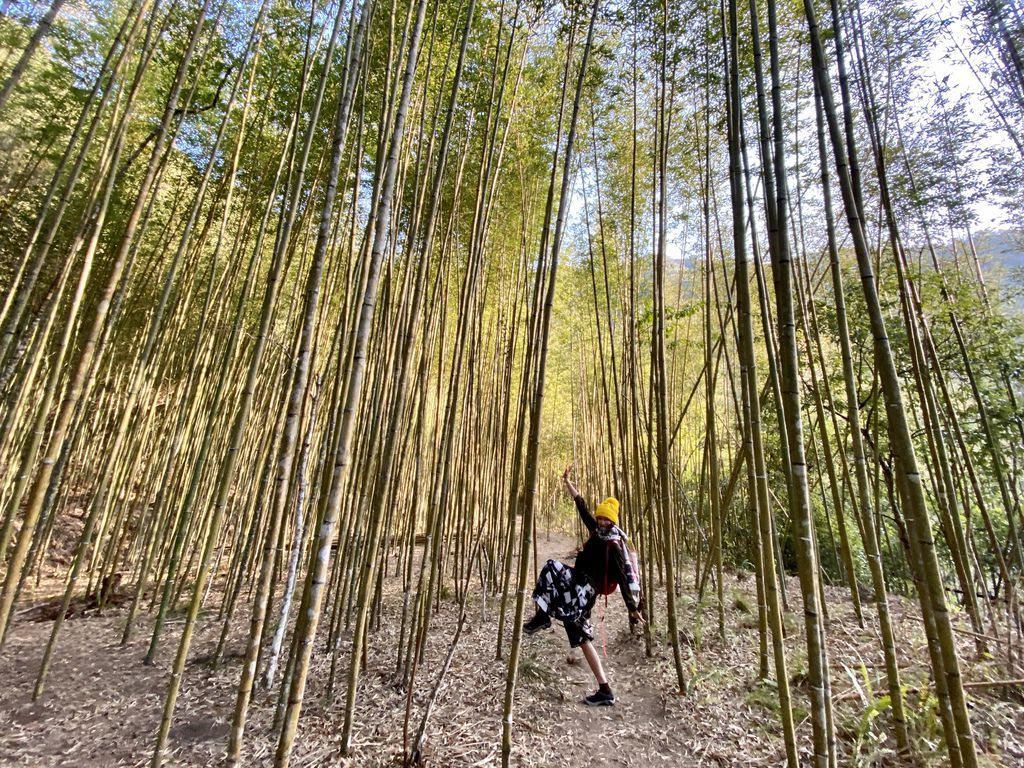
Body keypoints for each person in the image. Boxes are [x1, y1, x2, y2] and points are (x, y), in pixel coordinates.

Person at [522, 464, 644, 706]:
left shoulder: (613, 544)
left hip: (585, 592)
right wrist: (568, 482)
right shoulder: (596, 531)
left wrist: (632, 608)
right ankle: (604, 689)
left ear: (613, 521)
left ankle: (543, 617)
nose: (600, 520)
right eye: (599, 517)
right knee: (581, 634)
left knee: (552, 571)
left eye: (605, 519)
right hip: (576, 587)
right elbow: (582, 506)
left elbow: (622, 578)